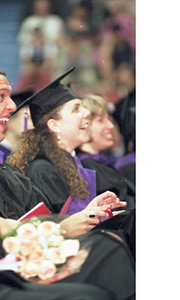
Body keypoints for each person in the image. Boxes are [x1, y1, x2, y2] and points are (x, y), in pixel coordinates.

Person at [0, 40, 124, 237]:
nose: (12, 106)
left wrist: (86, 215)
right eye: (1, 97)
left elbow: (38, 218)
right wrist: (63, 229)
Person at [0, 171, 135, 300]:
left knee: (108, 244)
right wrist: (60, 229)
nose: (10, 106)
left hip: (19, 247)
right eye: (76, 108)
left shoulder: (3, 167)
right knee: (105, 253)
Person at [7, 67, 130, 216]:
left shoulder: (70, 163)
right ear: (54, 125)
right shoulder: (43, 170)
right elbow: (58, 226)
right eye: (76, 109)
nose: (86, 113)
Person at [76, 95, 135, 211]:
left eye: (109, 119)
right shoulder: (88, 169)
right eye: (100, 120)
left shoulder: (100, 163)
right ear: (83, 125)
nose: (111, 126)